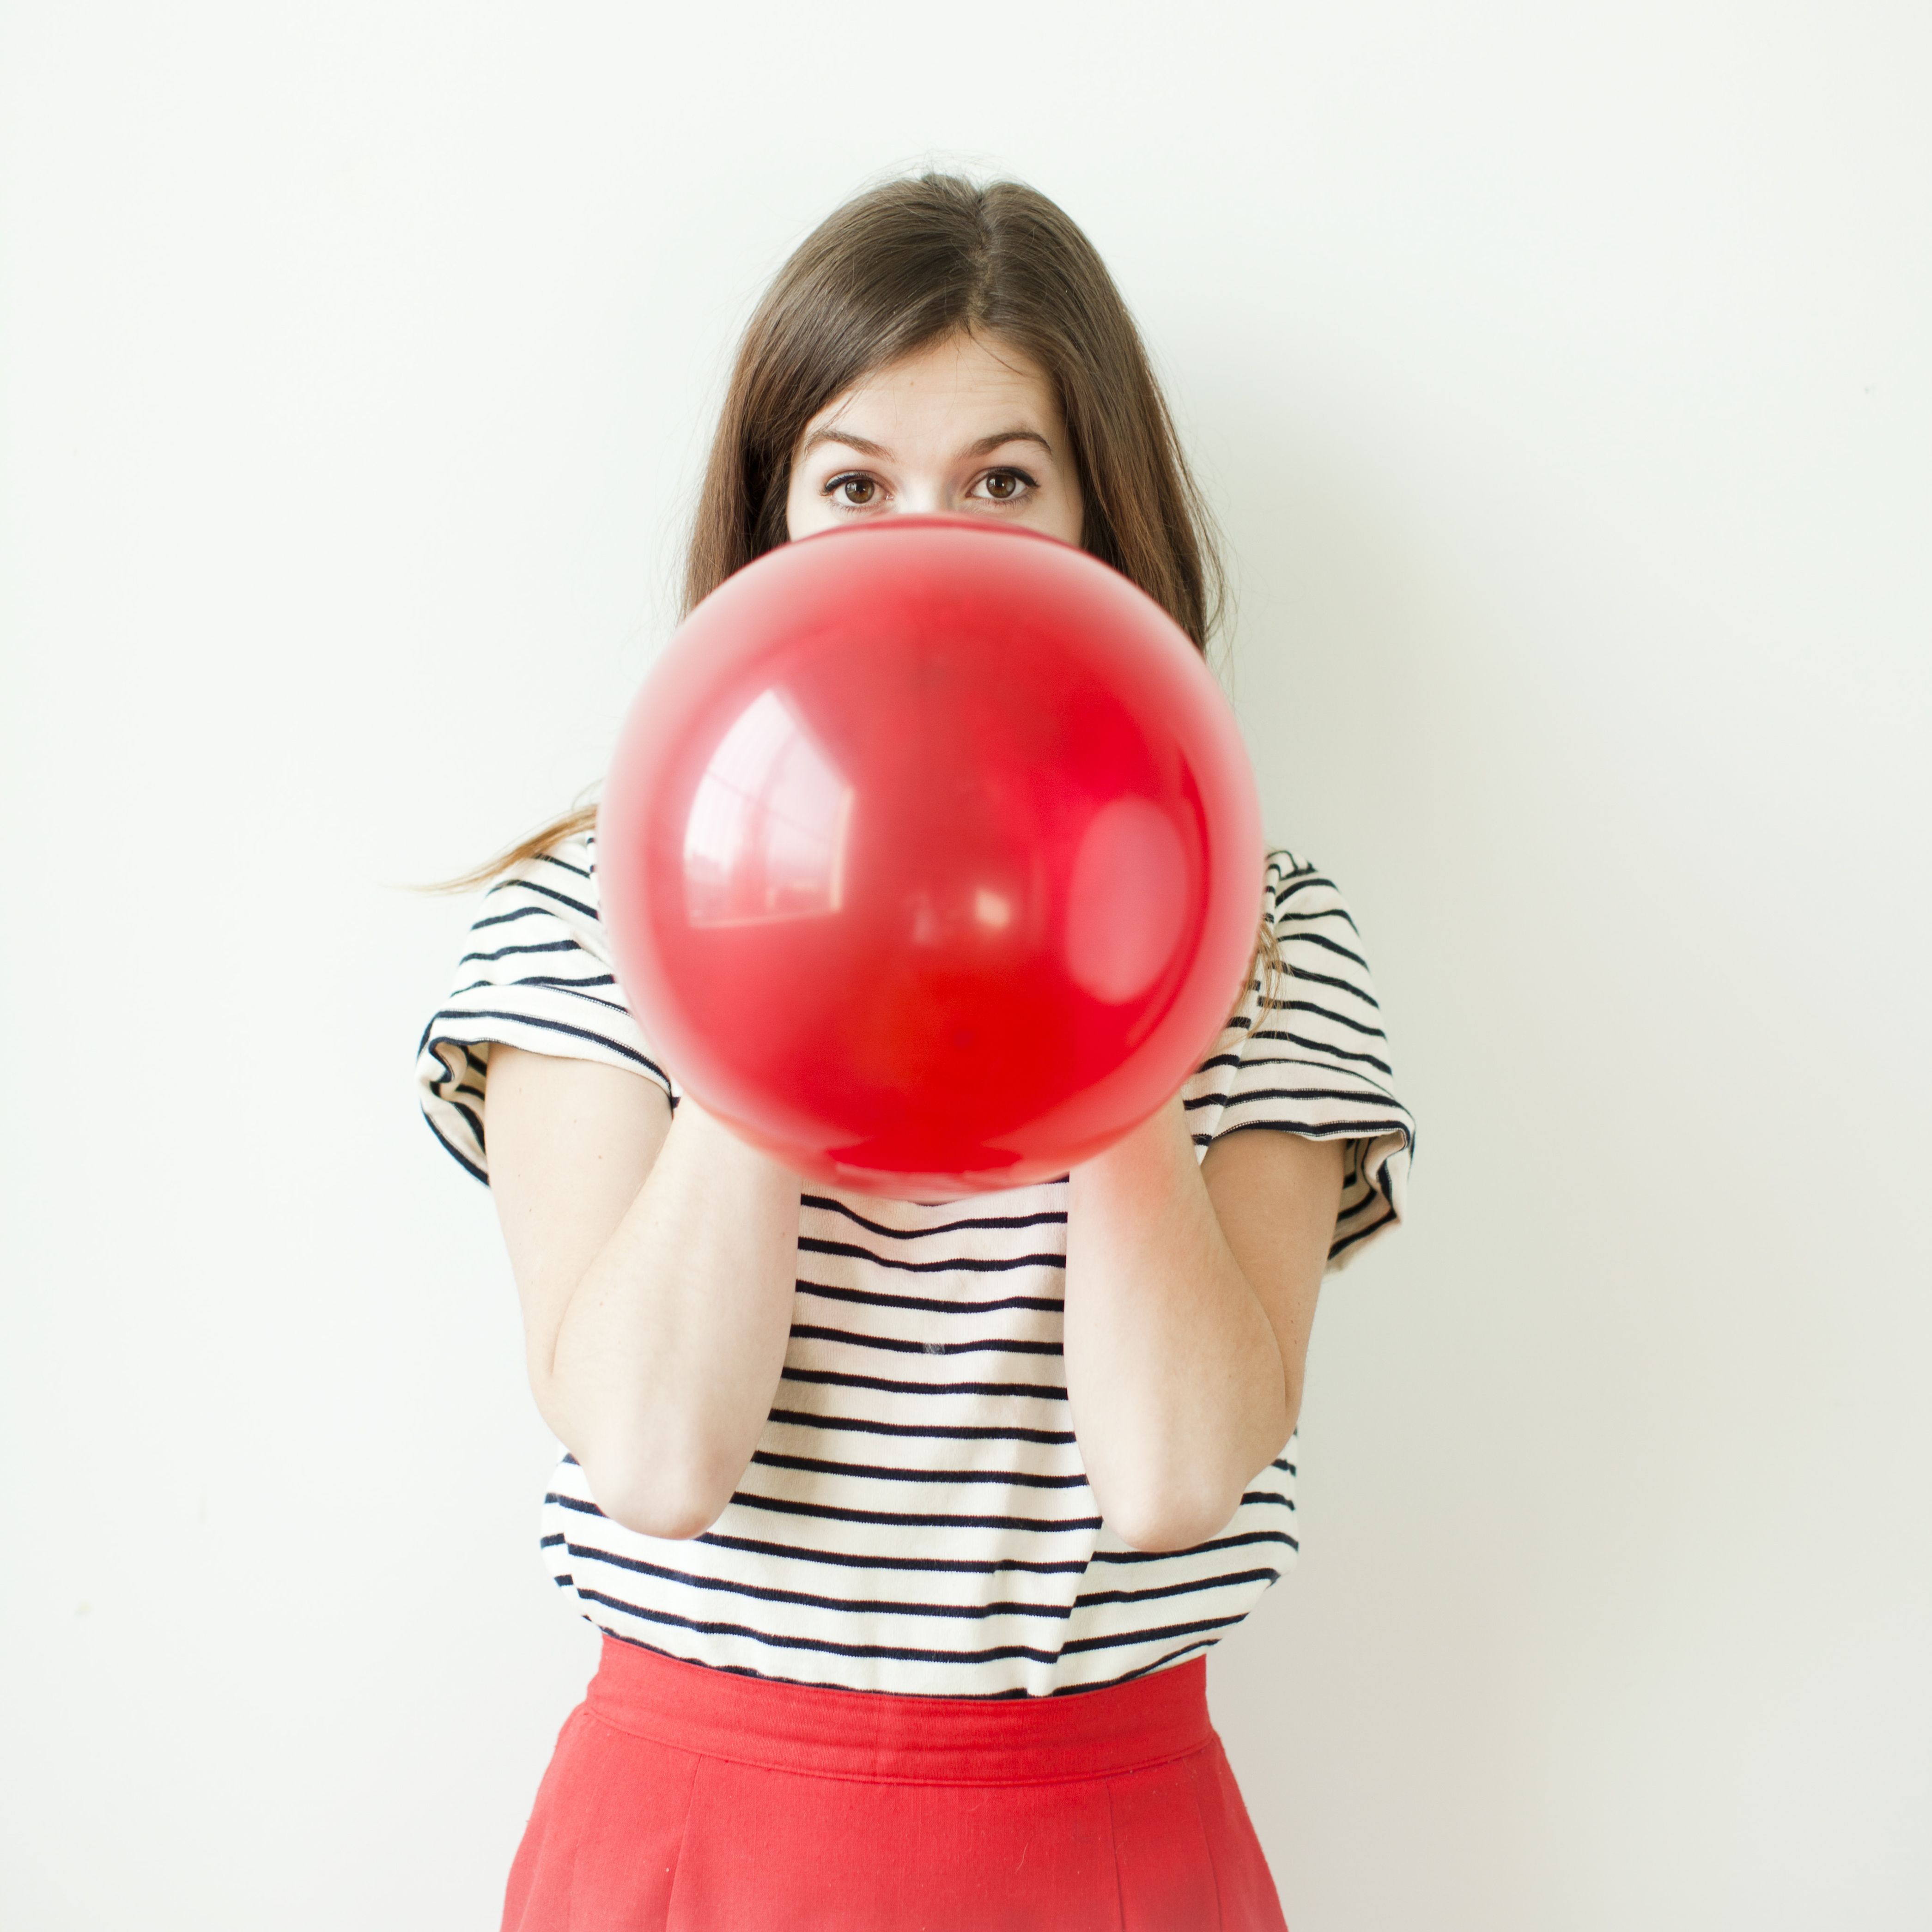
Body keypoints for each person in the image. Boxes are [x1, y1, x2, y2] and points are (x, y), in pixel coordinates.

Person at [418, 172, 1415, 1932]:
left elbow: (1179, 1474)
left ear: (1105, 524)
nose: (928, 544)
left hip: (1108, 1846)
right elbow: (654, 1456)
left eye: (1004, 483)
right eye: (856, 484)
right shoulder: (580, 915)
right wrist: (769, 951)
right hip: (694, 1842)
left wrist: (1101, 969)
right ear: (772, 523)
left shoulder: (1268, 928)